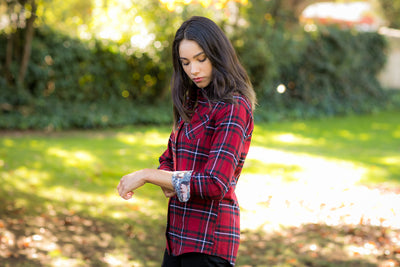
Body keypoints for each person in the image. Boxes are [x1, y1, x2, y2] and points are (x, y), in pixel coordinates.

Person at [117, 16, 256, 267]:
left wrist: (150, 175)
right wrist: (165, 175)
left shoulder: (233, 107)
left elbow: (216, 182)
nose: (193, 70)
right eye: (186, 63)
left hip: (209, 243)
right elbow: (170, 154)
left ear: (218, 54)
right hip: (177, 239)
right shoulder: (193, 101)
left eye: (201, 59)